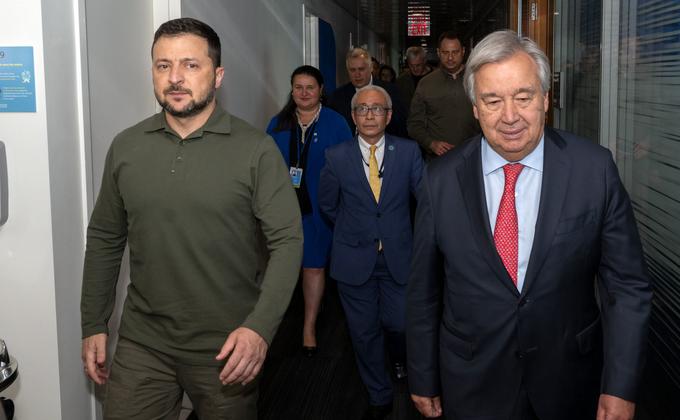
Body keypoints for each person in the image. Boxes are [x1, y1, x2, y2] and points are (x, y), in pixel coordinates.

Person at [406, 30, 652, 420]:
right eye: (492, 100)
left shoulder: (594, 169)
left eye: (523, 97)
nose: (509, 116)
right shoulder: (440, 180)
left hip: (569, 380)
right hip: (472, 382)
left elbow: (627, 287)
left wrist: (620, 385)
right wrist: (421, 375)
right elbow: (424, 291)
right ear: (475, 108)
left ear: (546, 100)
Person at [80, 18, 303, 419]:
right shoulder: (127, 147)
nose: (175, 78)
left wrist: (260, 328)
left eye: (190, 65)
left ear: (217, 76)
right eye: (163, 65)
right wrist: (93, 321)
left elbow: (287, 241)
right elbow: (104, 237)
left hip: (228, 346)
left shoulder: (256, 150)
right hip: (143, 342)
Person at [319, 85, 423, 420]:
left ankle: (399, 359)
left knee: (401, 324)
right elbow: (328, 204)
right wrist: (356, 231)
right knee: (363, 333)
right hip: (353, 260)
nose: (369, 115)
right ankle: (378, 393)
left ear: (389, 116)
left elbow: (425, 201)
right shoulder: (336, 156)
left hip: (399, 257)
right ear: (353, 116)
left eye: (376, 109)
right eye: (362, 109)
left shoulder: (408, 152)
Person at [267, 65, 352, 357]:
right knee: (285, 265)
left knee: (314, 266)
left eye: (310, 87)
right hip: (283, 209)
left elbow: (347, 166)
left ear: (321, 90)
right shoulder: (277, 124)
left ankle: (309, 326)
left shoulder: (336, 123)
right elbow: (266, 168)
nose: (303, 93)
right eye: (298, 87)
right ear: (292, 90)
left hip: (320, 208)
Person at [407, 31, 479, 158]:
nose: (450, 58)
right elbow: (414, 124)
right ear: (438, 53)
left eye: (455, 52)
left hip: (473, 155)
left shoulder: (477, 79)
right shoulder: (426, 84)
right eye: (445, 53)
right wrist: (431, 143)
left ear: (463, 51)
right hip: (437, 159)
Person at [328, 47, 408, 138]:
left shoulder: (391, 92)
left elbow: (401, 126)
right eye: (352, 70)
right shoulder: (337, 98)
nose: (357, 74)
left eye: (361, 69)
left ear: (371, 68)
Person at [396, 46, 432, 115]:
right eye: (411, 65)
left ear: (424, 61)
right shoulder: (401, 81)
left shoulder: (435, 78)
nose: (415, 69)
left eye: (418, 65)